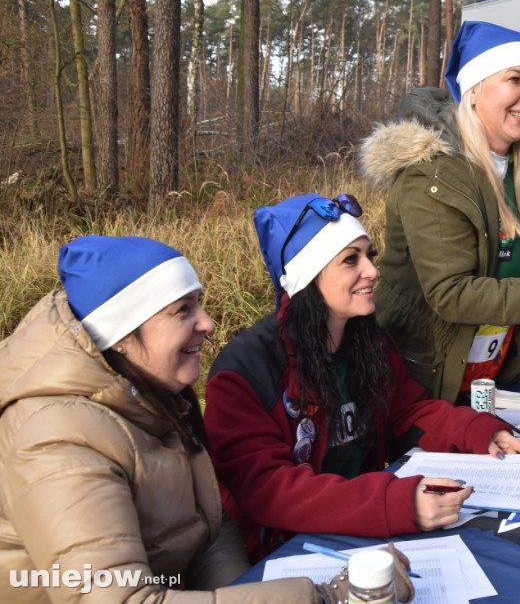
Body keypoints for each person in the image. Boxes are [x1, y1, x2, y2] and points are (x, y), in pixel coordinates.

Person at [203, 193, 520, 561]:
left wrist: (480, 432)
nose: (373, 271)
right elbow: (269, 490)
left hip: (366, 536)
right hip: (283, 556)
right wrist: (395, 503)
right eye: (350, 260)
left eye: (369, 256)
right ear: (307, 276)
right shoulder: (243, 372)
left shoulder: (367, 340)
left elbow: (409, 411)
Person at [0, 236, 319, 602]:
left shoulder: (152, 398)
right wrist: (305, 597)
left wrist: (239, 591)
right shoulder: (56, 443)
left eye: (199, 304)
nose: (209, 323)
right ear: (119, 333)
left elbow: (206, 531)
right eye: (183, 310)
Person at [357, 21, 520, 403]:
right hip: (425, 380)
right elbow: (453, 294)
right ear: (475, 91)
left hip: (490, 374)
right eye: (515, 79)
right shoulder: (433, 173)